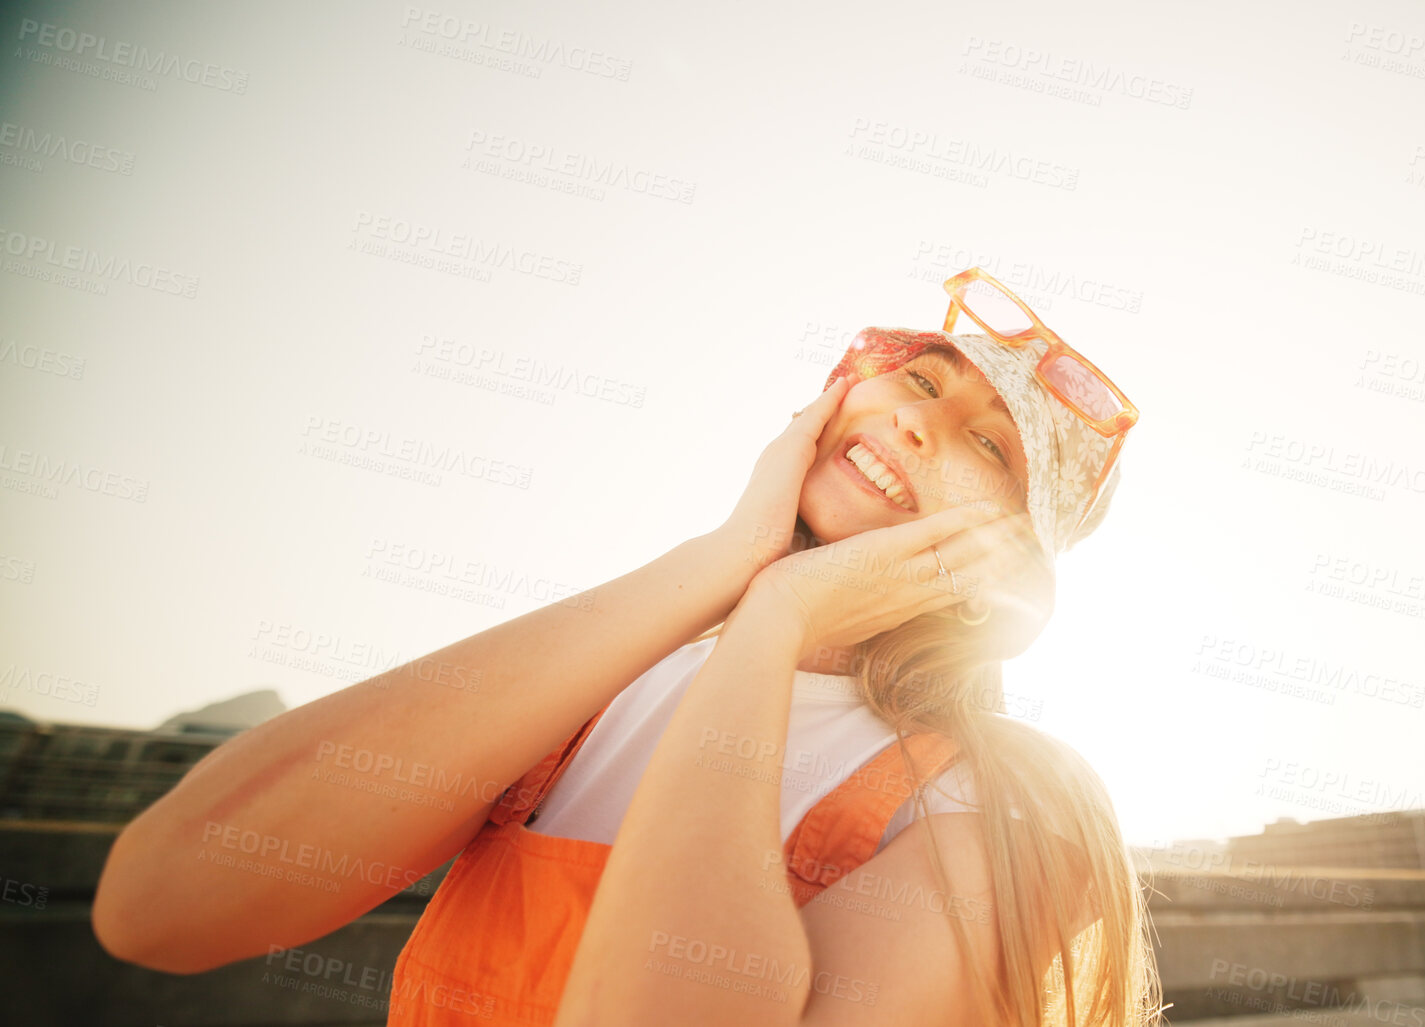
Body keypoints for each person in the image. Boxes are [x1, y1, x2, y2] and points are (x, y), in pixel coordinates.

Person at [93, 268, 1164, 1027]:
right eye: (920, 380)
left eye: (990, 443)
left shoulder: (1004, 806)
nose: (925, 423)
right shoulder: (596, 688)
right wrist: (720, 562)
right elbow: (161, 904)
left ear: (1008, 572)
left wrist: (775, 622)